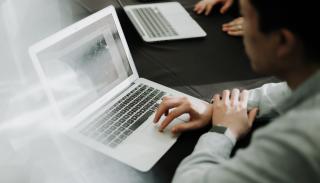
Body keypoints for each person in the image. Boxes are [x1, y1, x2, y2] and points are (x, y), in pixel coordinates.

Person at [154, 0, 320, 182]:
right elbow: (284, 92)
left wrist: (222, 131)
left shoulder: (301, 141)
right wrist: (220, 109)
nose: (242, 26)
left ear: (282, 41)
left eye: (245, 17)